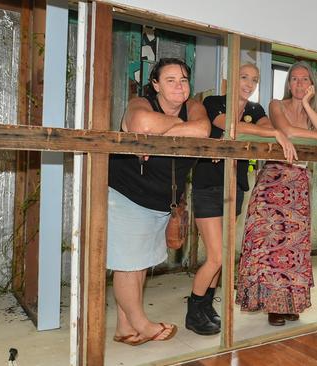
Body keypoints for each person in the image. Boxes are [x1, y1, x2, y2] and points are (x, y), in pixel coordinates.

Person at [186, 63, 297, 335]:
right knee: (215, 256)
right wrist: (272, 132)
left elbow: (264, 126)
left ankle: (206, 307)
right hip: (208, 185)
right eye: (244, 77)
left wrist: (271, 130)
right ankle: (193, 312)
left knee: (222, 254)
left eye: (255, 80)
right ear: (230, 79)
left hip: (235, 187)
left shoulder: (255, 109)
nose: (249, 83)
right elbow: (230, 127)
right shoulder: (214, 103)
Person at [107, 58, 210, 345]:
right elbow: (141, 122)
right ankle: (144, 325)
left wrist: (162, 129)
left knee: (138, 264)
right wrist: (178, 124)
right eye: (170, 80)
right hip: (127, 194)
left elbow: (202, 130)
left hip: (160, 201)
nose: (179, 86)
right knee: (128, 265)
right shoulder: (142, 102)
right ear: (155, 85)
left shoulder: (195, 108)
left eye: (184, 80)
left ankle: (124, 329)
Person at [235, 61, 317, 326]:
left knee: (293, 248)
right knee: (269, 247)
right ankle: (273, 305)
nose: (298, 84)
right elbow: (287, 132)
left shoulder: (311, 114)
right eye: (294, 79)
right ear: (288, 83)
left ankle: (290, 303)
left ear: (312, 85)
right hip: (273, 182)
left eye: (304, 80)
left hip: (298, 185)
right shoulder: (276, 104)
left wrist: (308, 107)